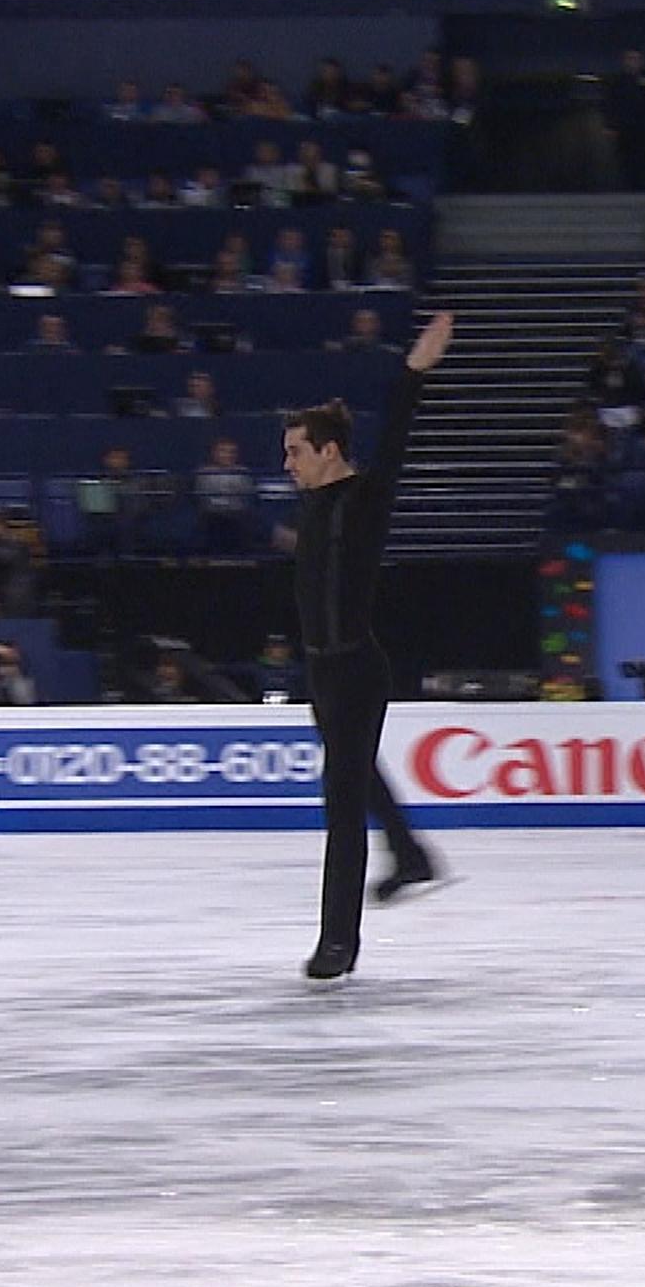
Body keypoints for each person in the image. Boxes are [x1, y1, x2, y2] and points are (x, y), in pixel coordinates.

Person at [280, 309, 455, 980]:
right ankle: (409, 855)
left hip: (356, 667)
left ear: (328, 451)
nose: (287, 462)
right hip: (321, 671)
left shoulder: (364, 497)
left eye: (296, 449)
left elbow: (397, 433)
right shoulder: (312, 506)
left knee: (342, 801)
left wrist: (415, 369)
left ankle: (338, 943)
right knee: (352, 774)